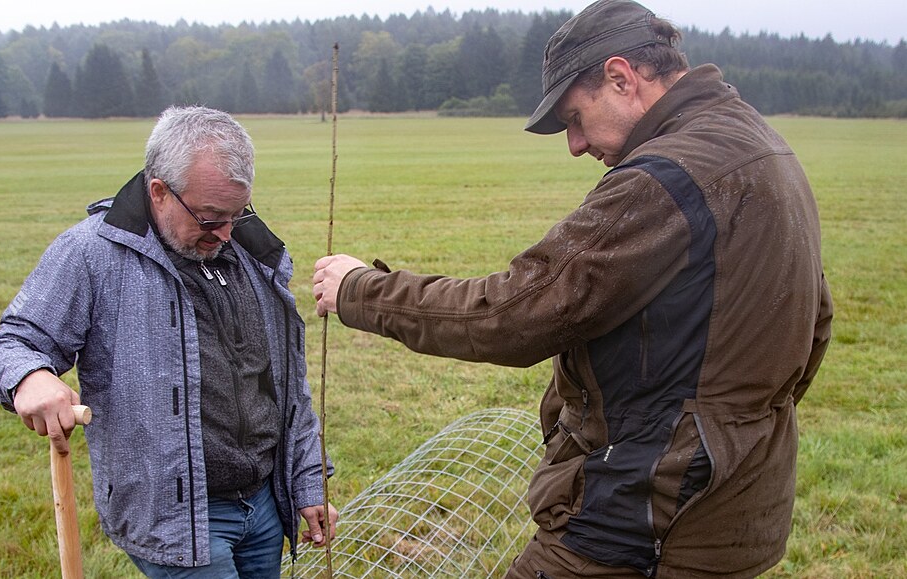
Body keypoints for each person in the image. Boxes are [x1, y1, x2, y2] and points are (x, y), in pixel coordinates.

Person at [312, 0, 832, 577]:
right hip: (737, 510)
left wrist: (362, 291)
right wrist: (728, 428)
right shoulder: (763, 147)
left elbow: (513, 314)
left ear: (620, 77)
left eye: (575, 118)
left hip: (639, 518)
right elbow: (814, 324)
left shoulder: (664, 178)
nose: (575, 145)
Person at [0, 105, 337, 578]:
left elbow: (287, 388)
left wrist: (306, 482)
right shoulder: (90, 254)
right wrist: (28, 376)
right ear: (159, 191)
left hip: (264, 506)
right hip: (178, 521)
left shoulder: (250, 253)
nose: (226, 234)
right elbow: (9, 345)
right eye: (210, 219)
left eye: (238, 213)